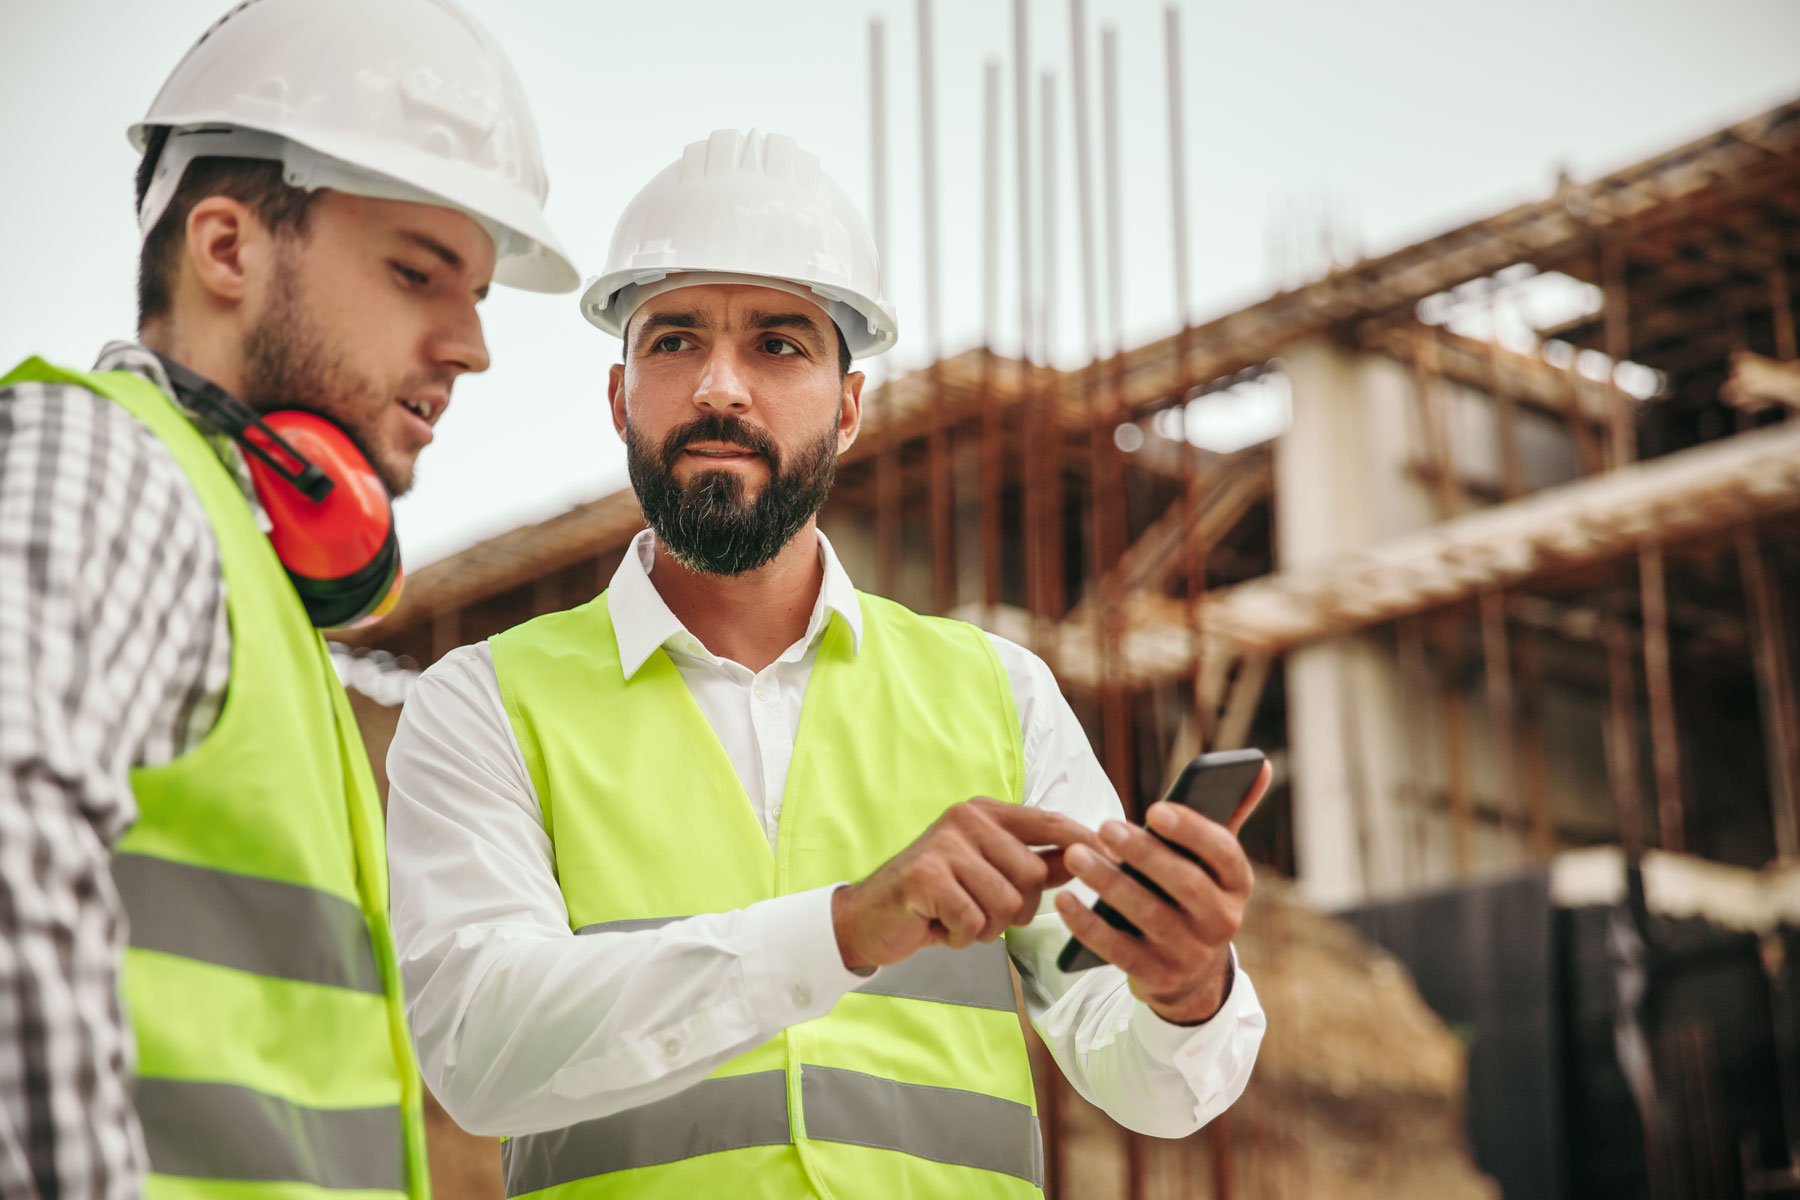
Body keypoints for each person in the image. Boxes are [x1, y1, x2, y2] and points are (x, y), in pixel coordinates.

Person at [386, 129, 1265, 1199]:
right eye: (672, 342)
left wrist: (1186, 990)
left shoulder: (997, 694)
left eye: (779, 345)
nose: (720, 387)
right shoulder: (486, 704)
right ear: (619, 398)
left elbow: (1148, 1084)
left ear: (849, 408)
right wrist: (845, 928)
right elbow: (479, 1053)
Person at [0, 1, 576, 1195]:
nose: (471, 344)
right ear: (227, 250)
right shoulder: (110, 470)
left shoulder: (248, 570)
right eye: (419, 273)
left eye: (473, 293)